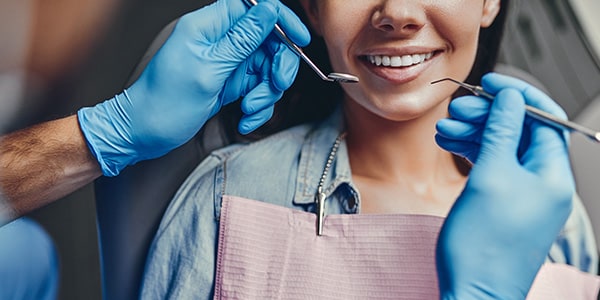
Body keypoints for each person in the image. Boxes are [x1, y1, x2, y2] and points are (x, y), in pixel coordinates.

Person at [139, 0, 599, 299]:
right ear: (312, 9)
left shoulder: (557, 219)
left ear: (489, 2)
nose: (397, 13)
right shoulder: (226, 199)